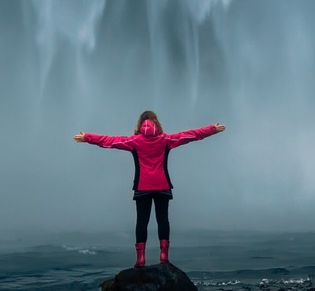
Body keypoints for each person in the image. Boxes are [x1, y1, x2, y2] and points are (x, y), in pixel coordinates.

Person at [74, 110, 225, 268]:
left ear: (140, 124)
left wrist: (87, 137)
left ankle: (140, 258)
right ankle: (164, 255)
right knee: (163, 220)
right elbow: (190, 135)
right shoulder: (166, 139)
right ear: (156, 123)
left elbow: (111, 141)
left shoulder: (134, 141)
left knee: (141, 222)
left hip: (142, 186)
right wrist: (212, 129)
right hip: (162, 185)